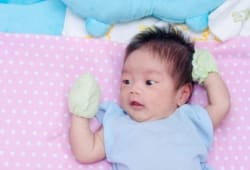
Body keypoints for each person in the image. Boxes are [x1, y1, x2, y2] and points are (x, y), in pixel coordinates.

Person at [68, 25, 230, 170]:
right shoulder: (117, 123)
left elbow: (221, 104)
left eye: (149, 82)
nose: (134, 89)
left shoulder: (189, 120)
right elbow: (86, 152)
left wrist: (208, 74)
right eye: (126, 81)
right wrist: (80, 113)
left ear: (182, 95)